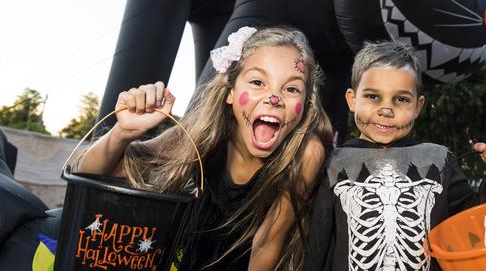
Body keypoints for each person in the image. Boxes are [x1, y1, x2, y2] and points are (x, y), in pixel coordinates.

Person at [78, 27, 332, 270]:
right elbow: (87, 176)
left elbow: (267, 243)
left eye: (291, 88)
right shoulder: (201, 134)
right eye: (257, 82)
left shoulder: (307, 152)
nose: (273, 98)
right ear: (230, 92)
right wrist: (123, 132)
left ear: (306, 104)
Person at [305, 40, 486, 271]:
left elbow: (477, 225)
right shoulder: (333, 163)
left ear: (418, 106)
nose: (386, 110)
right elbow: (316, 245)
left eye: (401, 99)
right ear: (352, 100)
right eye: (373, 96)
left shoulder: (439, 160)